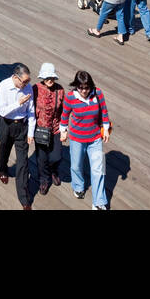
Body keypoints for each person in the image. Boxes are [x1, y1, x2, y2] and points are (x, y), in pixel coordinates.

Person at [59, 70, 111, 209]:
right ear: (76, 86)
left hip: (95, 138)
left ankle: (99, 202)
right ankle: (78, 186)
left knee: (99, 170)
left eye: (86, 87)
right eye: (80, 87)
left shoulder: (98, 93)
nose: (83, 91)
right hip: (77, 139)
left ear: (91, 85)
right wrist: (63, 131)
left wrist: (105, 128)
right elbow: (65, 115)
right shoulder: (70, 97)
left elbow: (104, 111)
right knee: (76, 166)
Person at [0, 63, 36, 210]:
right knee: (4, 150)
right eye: (24, 81)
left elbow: (31, 111)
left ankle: (24, 198)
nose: (26, 84)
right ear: (15, 77)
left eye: (28, 81)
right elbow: (3, 111)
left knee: (23, 161)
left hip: (22, 127)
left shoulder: (28, 87)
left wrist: (31, 132)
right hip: (6, 124)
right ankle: (2, 169)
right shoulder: (3, 86)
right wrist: (18, 103)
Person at [32, 63, 64, 196]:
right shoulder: (35, 88)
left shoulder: (60, 90)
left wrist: (64, 128)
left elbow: (64, 110)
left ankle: (53, 170)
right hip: (40, 129)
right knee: (42, 158)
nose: (49, 80)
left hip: (55, 129)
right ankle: (44, 180)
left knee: (56, 156)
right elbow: (30, 108)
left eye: (51, 77)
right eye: (46, 77)